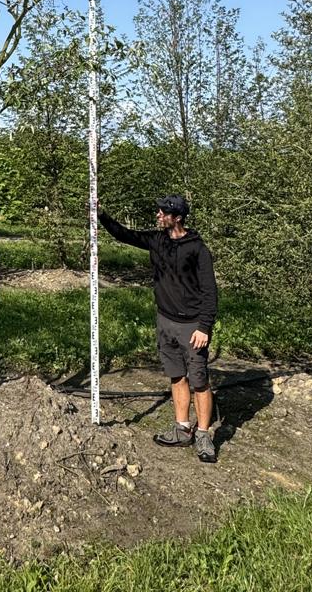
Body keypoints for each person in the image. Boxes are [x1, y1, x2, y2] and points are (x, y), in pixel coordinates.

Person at [98, 194, 218, 464]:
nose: (158, 215)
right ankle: (182, 428)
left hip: (192, 326)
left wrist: (204, 327)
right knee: (177, 377)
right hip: (166, 321)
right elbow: (125, 235)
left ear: (177, 218)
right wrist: (101, 215)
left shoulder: (197, 248)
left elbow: (210, 291)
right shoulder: (157, 240)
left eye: (163, 212)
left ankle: (203, 434)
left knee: (199, 381)